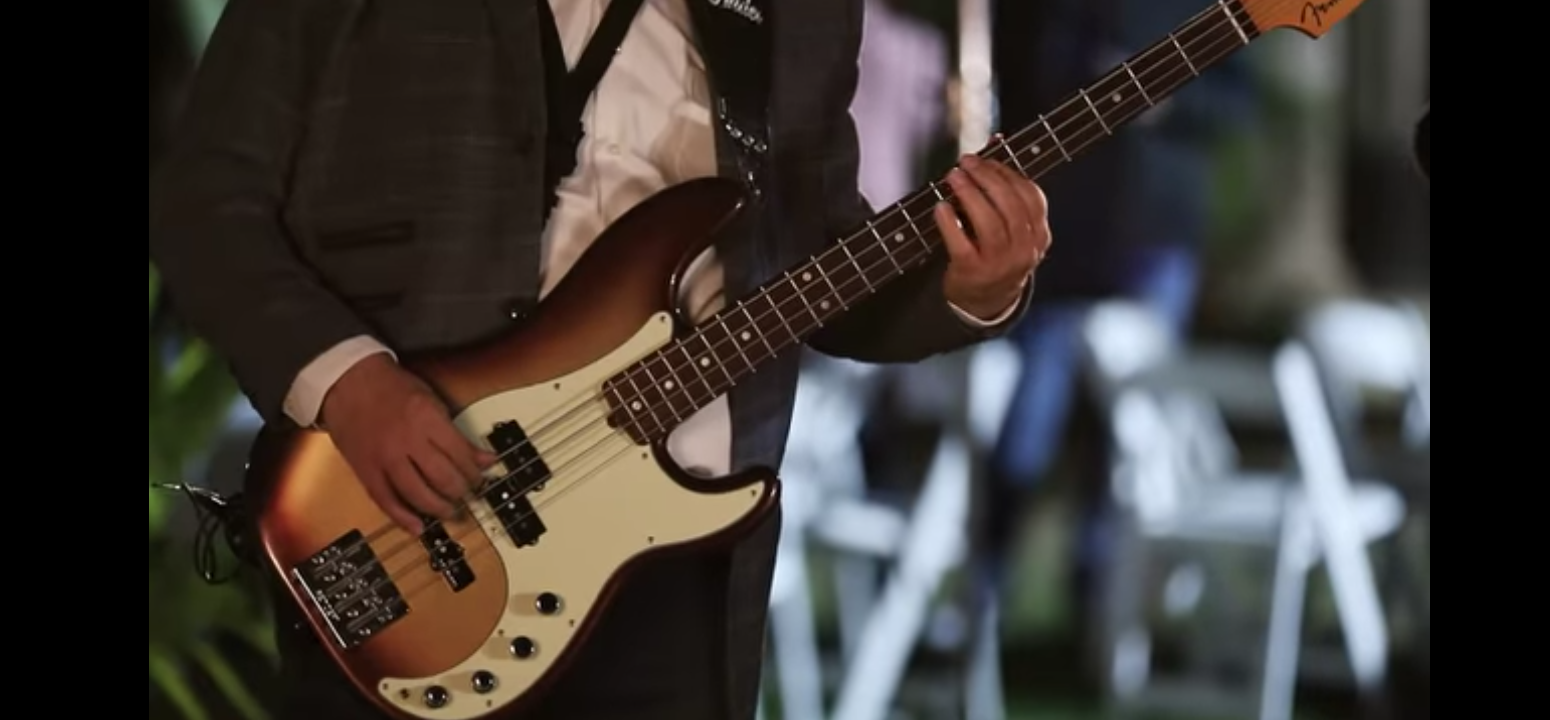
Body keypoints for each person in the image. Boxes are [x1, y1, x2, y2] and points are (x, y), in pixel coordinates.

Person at [148, 1, 1053, 719]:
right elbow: (210, 198)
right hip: (415, 528)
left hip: (682, 561)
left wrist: (972, 288)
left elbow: (815, 261)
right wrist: (348, 384)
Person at [979, 0, 1258, 644]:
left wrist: (1170, 100)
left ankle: (1100, 606)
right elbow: (1010, 84)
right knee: (1028, 415)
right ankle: (985, 591)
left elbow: (1237, 102)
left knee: (1132, 431)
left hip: (1156, 231)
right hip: (1061, 232)